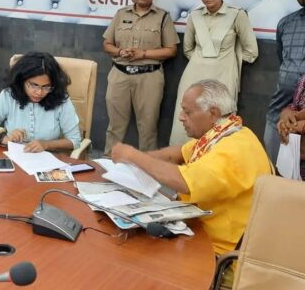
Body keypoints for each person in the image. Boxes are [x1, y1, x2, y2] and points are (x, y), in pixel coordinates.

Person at [111, 80, 272, 255]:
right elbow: (176, 154)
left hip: (218, 250)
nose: (181, 117)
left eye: (187, 112)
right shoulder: (224, 132)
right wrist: (133, 162)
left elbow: (184, 181)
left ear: (213, 113)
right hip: (200, 228)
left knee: (135, 252)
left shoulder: (232, 150)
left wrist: (133, 155)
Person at [169, 0, 258, 145]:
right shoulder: (195, 16)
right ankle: (181, 157)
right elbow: (188, 49)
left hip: (223, 78)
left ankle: (214, 159)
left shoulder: (237, 14)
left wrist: (229, 64)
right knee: (186, 118)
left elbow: (251, 51)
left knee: (219, 122)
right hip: (193, 76)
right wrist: (201, 61)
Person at [102, 0, 179, 155]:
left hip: (149, 77)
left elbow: (171, 50)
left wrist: (143, 54)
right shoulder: (121, 14)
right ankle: (109, 161)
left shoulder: (162, 17)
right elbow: (107, 44)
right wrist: (120, 51)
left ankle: (147, 165)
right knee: (115, 125)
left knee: (148, 126)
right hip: (119, 75)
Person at [0, 52, 81, 153]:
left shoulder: (60, 100)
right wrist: (6, 139)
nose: (39, 92)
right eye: (34, 85)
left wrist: (46, 145)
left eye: (46, 87)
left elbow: (75, 140)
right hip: (14, 157)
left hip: (48, 160)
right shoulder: (8, 96)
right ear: (21, 80)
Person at [264, 0, 305, 164]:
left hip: (302, 119)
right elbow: (283, 61)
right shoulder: (286, 24)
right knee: (273, 169)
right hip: (279, 113)